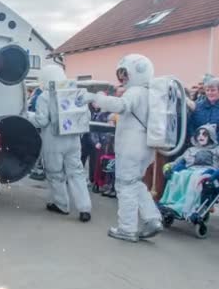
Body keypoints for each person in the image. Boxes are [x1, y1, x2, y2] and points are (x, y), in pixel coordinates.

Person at [86, 54, 163, 242]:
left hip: (131, 147)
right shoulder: (150, 93)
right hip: (145, 146)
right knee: (135, 183)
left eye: (125, 74)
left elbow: (121, 106)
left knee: (125, 185)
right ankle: (152, 219)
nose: (123, 79)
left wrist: (96, 98)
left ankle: (127, 228)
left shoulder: (135, 92)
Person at [28, 64, 92, 222]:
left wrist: (26, 116)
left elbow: (41, 121)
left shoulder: (45, 96)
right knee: (77, 172)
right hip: (74, 139)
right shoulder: (74, 92)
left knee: (55, 173)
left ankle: (61, 204)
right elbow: (86, 116)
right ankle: (85, 208)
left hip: (53, 141)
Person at [160, 124, 219, 218]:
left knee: (196, 177)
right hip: (191, 170)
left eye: (204, 134)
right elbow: (177, 162)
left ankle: (187, 208)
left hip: (208, 172)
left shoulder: (216, 150)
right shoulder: (191, 150)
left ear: (211, 136)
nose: (201, 136)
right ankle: (170, 204)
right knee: (177, 175)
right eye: (198, 134)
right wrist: (167, 168)